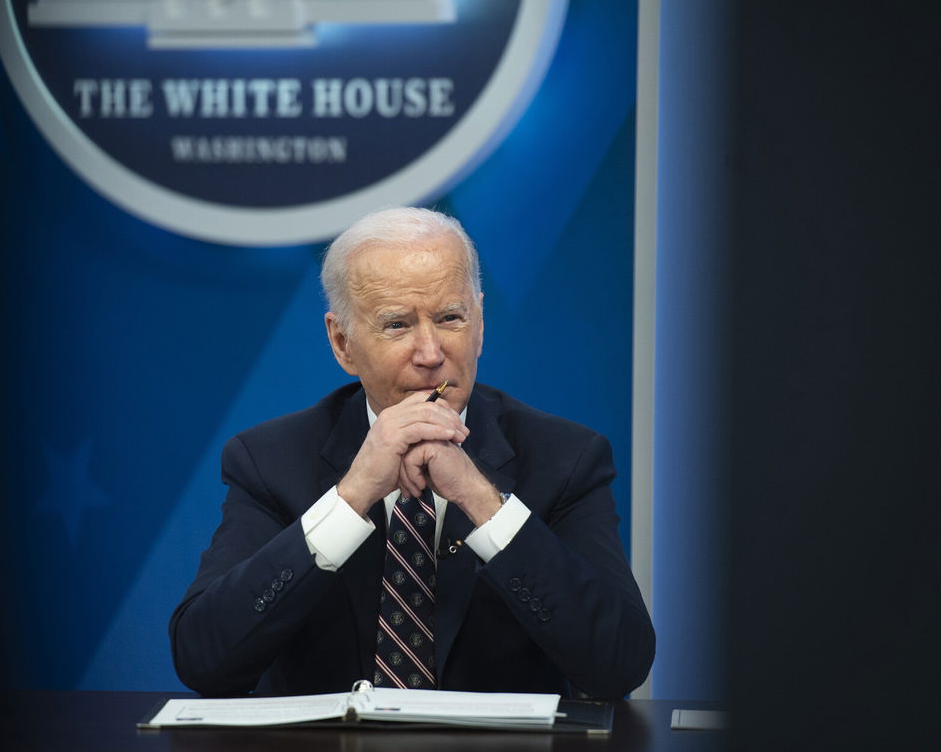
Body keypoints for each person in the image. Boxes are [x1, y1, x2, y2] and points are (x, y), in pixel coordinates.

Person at [170, 207, 654, 698]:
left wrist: (482, 500)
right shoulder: (270, 460)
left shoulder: (565, 458)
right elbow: (205, 662)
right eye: (397, 325)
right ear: (343, 344)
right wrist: (352, 496)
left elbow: (618, 665)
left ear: (480, 324)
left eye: (450, 318)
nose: (430, 353)